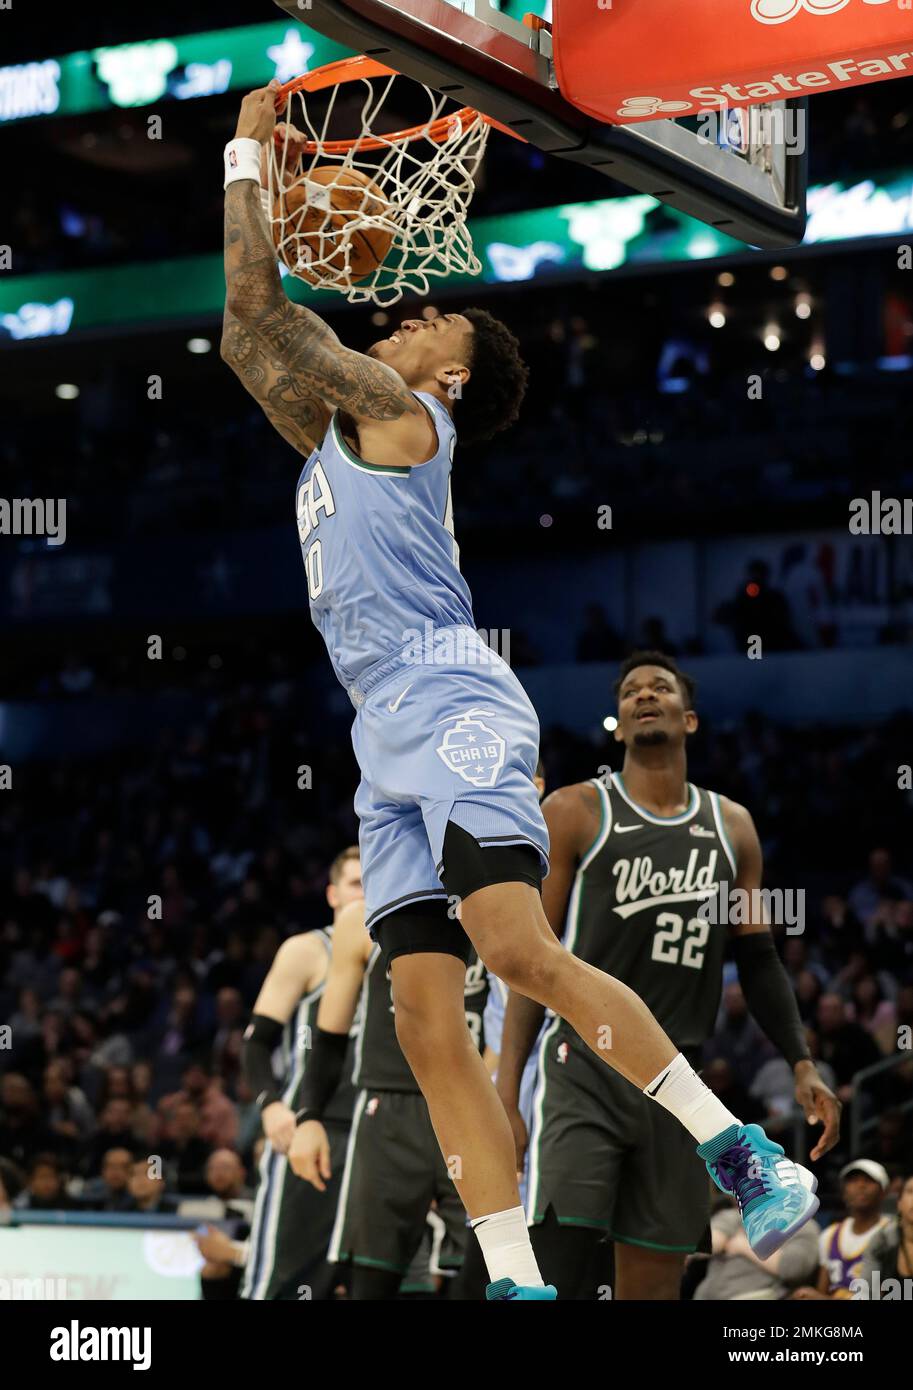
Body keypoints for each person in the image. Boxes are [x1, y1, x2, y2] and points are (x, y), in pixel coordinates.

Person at [222, 86, 823, 1298]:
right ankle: (513, 1275)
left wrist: (253, 154)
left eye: (425, 319)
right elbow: (245, 336)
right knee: (426, 1022)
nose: (403, 320)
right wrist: (271, 199)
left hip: (453, 702)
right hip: (379, 730)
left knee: (516, 946)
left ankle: (742, 1154)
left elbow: (260, 308)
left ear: (447, 370)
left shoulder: (408, 417)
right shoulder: (341, 431)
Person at [497, 653, 839, 1300]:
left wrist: (799, 1060)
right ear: (618, 726)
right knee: (558, 1270)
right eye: (629, 691)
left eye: (659, 688)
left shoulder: (731, 827)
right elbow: (529, 964)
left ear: (689, 718)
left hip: (680, 1079)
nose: (642, 695)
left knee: (652, 1287)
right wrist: (507, 1092)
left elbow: (759, 959)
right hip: (581, 1068)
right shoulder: (574, 811)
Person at [288, 897, 486, 1300]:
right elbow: (329, 1036)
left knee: (484, 1275)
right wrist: (309, 1117)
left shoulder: (493, 896)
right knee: (371, 1278)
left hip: (474, 1105)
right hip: (388, 1108)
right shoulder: (357, 917)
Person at [240, 847, 363, 1301]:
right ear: (332, 894)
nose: (364, 894)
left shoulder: (405, 948)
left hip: (377, 1132)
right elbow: (256, 1041)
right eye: (354, 884)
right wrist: (271, 1106)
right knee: (284, 1279)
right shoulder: (309, 950)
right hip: (315, 1128)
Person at [793, 1160, 892, 1299]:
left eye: (869, 1180)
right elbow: (822, 1291)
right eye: (853, 1180)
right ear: (843, 1192)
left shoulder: (892, 1233)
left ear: (884, 1191)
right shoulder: (830, 1235)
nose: (860, 1185)